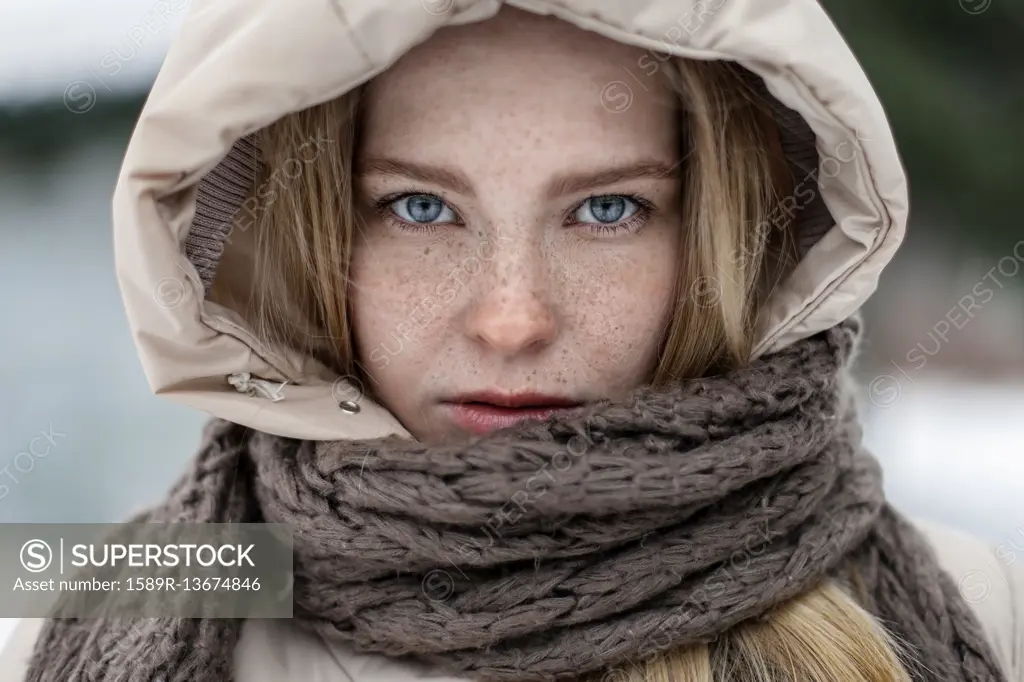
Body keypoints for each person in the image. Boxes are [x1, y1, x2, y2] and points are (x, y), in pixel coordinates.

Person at [3, 2, 1022, 681]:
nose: (512, 318)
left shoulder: (978, 606)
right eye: (418, 207)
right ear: (306, 231)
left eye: (610, 210)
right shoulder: (62, 609)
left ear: (719, 227)